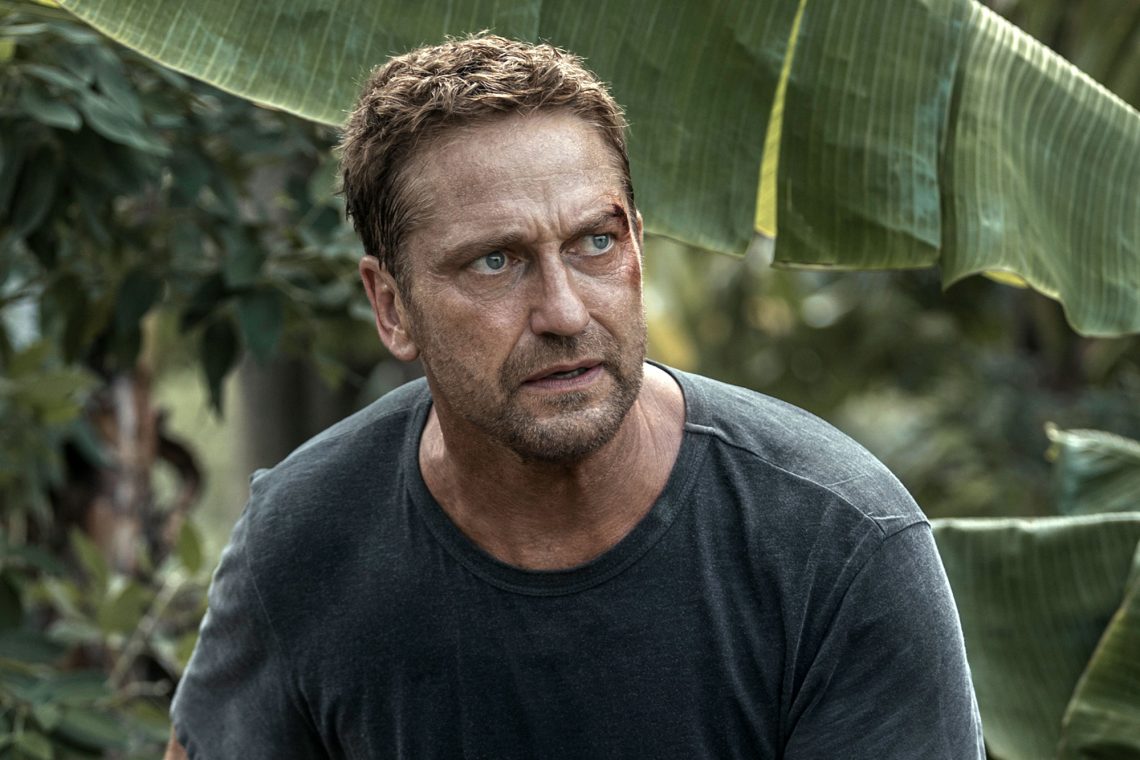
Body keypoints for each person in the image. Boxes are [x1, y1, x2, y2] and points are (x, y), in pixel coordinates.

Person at [166, 34, 984, 759]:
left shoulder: (836, 543)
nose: (563, 312)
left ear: (637, 248)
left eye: (595, 242)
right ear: (391, 307)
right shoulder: (304, 539)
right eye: (495, 261)